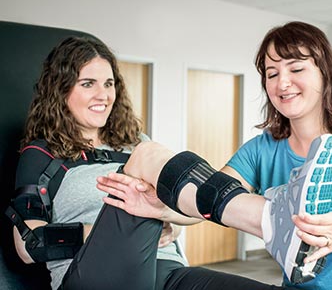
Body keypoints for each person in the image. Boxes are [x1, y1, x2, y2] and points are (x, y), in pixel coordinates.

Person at [97, 21, 332, 289]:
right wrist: (162, 210)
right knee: (209, 187)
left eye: (296, 69)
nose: (282, 83)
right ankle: (276, 216)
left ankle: (277, 215)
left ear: (325, 74)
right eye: (272, 73)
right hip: (298, 286)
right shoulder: (261, 148)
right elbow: (209, 200)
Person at [9, 36, 293, 290]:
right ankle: (266, 218)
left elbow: (177, 216)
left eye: (109, 84)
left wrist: (167, 226)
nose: (103, 95)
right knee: (146, 155)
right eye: (87, 84)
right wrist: (109, 232)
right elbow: (28, 244)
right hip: (94, 273)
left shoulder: (133, 140)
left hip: (165, 270)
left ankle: (265, 218)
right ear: (60, 90)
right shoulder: (41, 154)